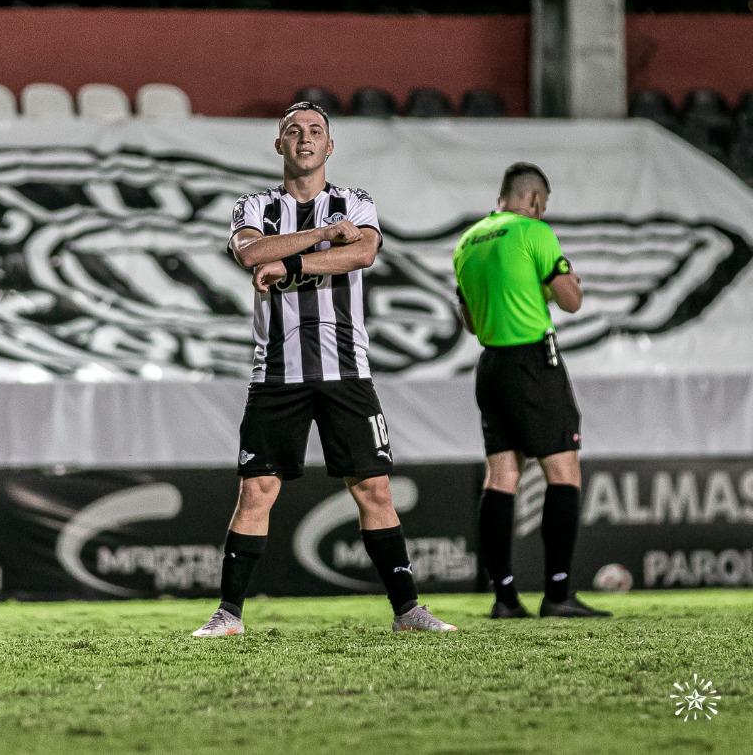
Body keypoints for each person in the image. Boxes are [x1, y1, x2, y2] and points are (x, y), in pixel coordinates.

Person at [192, 101, 458, 636]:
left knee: (373, 489)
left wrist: (288, 263)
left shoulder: (355, 200)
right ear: (280, 145)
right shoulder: (254, 205)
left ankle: (408, 611)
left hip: (346, 372)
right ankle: (228, 616)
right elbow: (250, 254)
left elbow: (361, 255)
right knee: (257, 491)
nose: (305, 138)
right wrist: (320, 238)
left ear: (330, 146)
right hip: (276, 375)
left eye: (316, 131)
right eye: (294, 131)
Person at [452, 162, 610, 619]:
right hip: (533, 364)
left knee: (501, 479)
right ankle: (558, 593)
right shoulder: (533, 232)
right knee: (563, 473)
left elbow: (471, 320)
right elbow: (572, 301)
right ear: (536, 201)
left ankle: (504, 598)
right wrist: (560, 285)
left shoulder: (468, 242)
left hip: (491, 366)